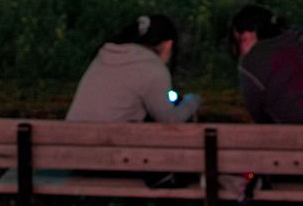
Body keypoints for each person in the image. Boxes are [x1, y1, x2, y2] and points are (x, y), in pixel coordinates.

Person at [66, 13, 202, 124]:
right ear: (168, 44)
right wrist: (192, 101)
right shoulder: (153, 68)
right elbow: (170, 120)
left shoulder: (105, 55)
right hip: (105, 152)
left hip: (68, 147)